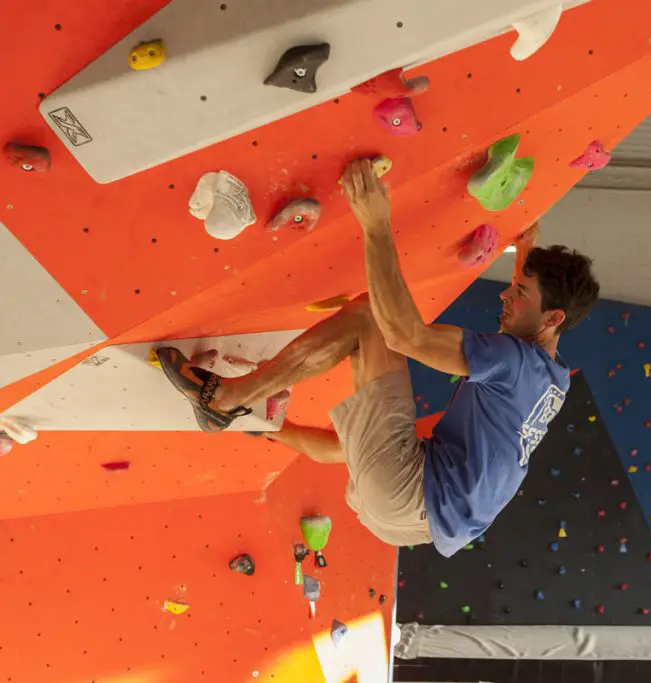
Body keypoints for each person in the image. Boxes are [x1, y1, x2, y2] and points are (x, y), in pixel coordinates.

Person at [156, 159, 600, 557]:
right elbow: (533, 324)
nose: (506, 293)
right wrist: (525, 258)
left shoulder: (516, 361)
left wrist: (375, 223)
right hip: (413, 525)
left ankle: (228, 398)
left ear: (553, 318)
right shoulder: (553, 380)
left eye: (519, 292)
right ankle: (265, 427)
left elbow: (407, 336)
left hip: (411, 492)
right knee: (356, 444)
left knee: (370, 317)